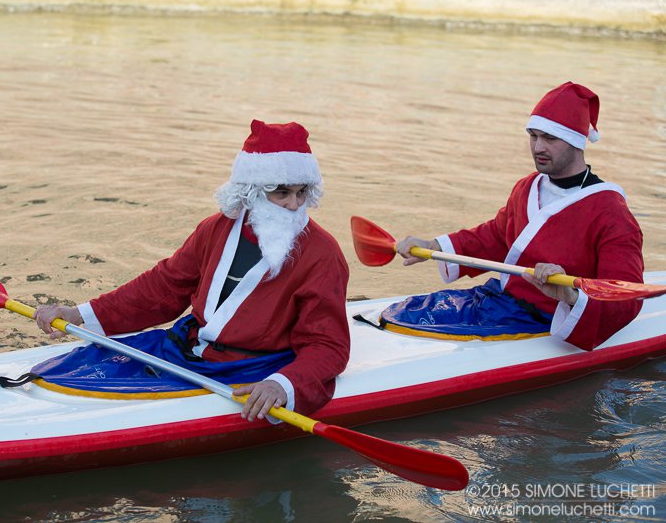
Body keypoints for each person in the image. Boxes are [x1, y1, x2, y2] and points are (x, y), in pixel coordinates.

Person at [33, 119, 350, 421]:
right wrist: (80, 314)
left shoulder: (323, 254)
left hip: (255, 368)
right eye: (282, 193)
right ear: (252, 191)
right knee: (78, 365)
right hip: (188, 347)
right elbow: (164, 287)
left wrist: (282, 385)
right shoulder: (216, 228)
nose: (294, 205)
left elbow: (328, 344)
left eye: (301, 192)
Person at [389, 82, 644, 350]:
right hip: (499, 300)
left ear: (575, 141)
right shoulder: (528, 186)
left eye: (550, 138)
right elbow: (498, 236)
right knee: (401, 314)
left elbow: (624, 294)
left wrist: (570, 295)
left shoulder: (612, 212)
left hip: (546, 319)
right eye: (533, 136)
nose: (538, 147)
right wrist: (434, 246)